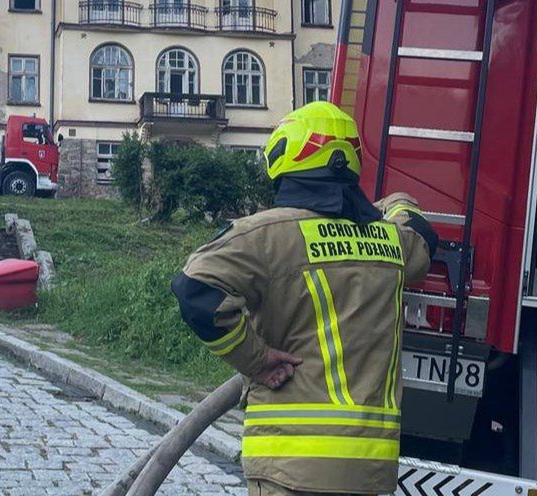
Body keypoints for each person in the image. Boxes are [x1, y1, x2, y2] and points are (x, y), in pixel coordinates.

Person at [172, 101, 438, 496]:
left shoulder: (265, 235)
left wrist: (257, 360)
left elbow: (195, 290)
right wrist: (380, 207)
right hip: (368, 470)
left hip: (288, 464)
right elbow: (419, 227)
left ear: (285, 160)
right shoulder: (391, 242)